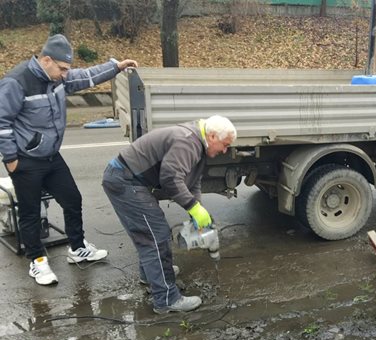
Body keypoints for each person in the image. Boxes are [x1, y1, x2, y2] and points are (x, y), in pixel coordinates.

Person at [0, 34, 138, 286]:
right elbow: (2, 122)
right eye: (62, 69)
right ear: (46, 60)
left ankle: (77, 248)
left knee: (72, 199)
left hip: (52, 157)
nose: (65, 74)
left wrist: (116, 67)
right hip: (26, 161)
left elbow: (86, 77)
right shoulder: (16, 82)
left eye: (67, 69)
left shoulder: (58, 78)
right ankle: (38, 261)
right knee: (30, 213)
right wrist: (11, 160)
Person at [101, 116, 237, 314]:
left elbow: (193, 181)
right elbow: (170, 178)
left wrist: (197, 208)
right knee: (156, 237)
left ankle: (151, 275)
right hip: (126, 181)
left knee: (149, 235)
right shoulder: (187, 142)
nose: (224, 150)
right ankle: (166, 299)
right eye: (224, 145)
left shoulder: (198, 143)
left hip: (129, 179)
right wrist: (192, 207)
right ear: (213, 135)